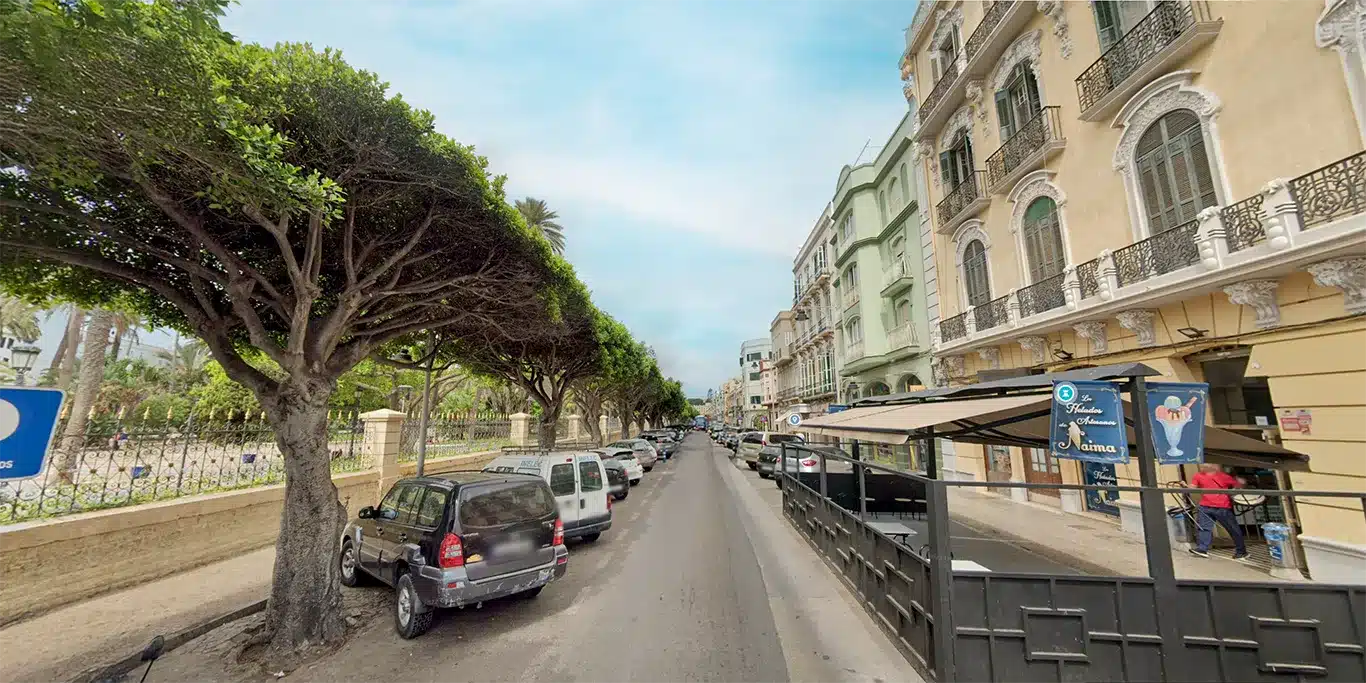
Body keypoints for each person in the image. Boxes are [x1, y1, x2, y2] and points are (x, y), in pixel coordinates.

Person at [1186, 463, 1249, 561]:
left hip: (1222, 506)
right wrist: (1186, 486)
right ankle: (1202, 549)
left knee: (1233, 529)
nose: (1202, 466)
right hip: (1205, 506)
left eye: (1205, 464)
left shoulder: (1223, 476)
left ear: (1213, 466)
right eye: (1202, 465)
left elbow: (1237, 485)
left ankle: (1241, 552)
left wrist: (1241, 482)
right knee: (1203, 528)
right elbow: (1193, 486)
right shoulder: (1198, 475)